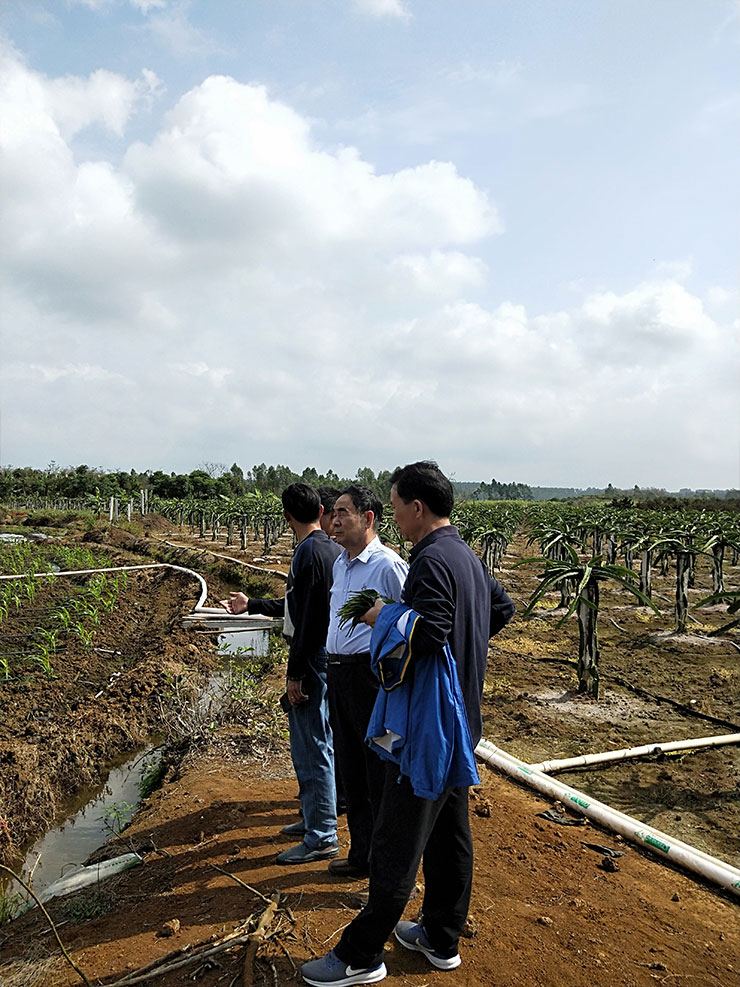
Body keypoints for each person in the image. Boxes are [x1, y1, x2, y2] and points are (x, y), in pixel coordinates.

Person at [302, 462, 514, 987]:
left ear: (416, 507)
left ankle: (360, 955)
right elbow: (501, 608)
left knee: (397, 841)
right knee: (449, 834)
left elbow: (432, 631)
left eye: (395, 506)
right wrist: (470, 650)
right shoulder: (465, 556)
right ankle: (441, 937)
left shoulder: (428, 561)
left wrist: (382, 617)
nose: (393, 516)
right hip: (462, 718)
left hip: (427, 727)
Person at [221, 482, 341, 865]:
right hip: (321, 657)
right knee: (310, 744)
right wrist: (252, 603)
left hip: (311, 659)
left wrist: (295, 672)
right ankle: (312, 818)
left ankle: (322, 834)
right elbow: (296, 606)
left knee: (313, 747)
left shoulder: (308, 553)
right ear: (321, 510)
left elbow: (307, 620)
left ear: (287, 516)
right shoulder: (328, 550)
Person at [324, 485, 408, 881]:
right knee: (351, 769)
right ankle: (361, 853)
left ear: (368, 518)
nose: (335, 520)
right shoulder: (340, 564)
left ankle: (384, 865)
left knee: (378, 771)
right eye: (334, 512)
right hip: (338, 674)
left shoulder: (387, 566)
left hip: (370, 678)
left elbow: (409, 624)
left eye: (343, 512)